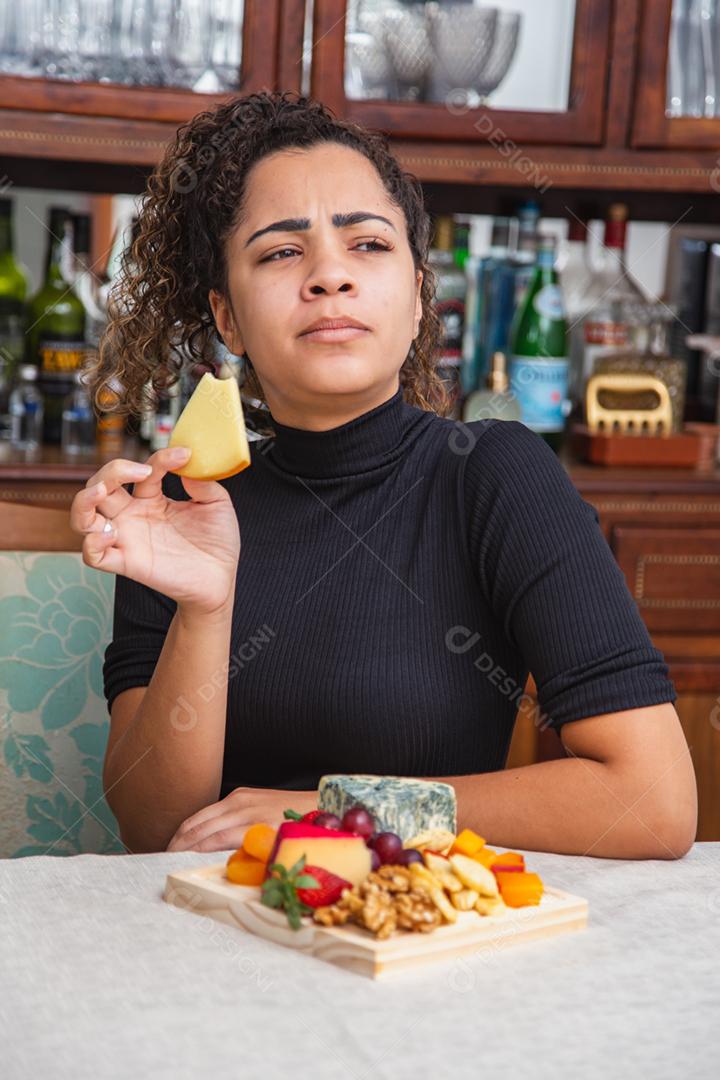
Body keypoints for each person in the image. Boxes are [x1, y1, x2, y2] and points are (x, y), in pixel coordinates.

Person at [72, 91, 696, 858]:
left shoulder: (494, 477)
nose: (330, 275)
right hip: (217, 943)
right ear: (226, 317)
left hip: (424, 945)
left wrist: (337, 811)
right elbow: (152, 829)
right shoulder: (173, 510)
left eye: (368, 244)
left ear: (417, 296)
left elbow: (652, 798)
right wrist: (206, 606)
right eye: (279, 251)